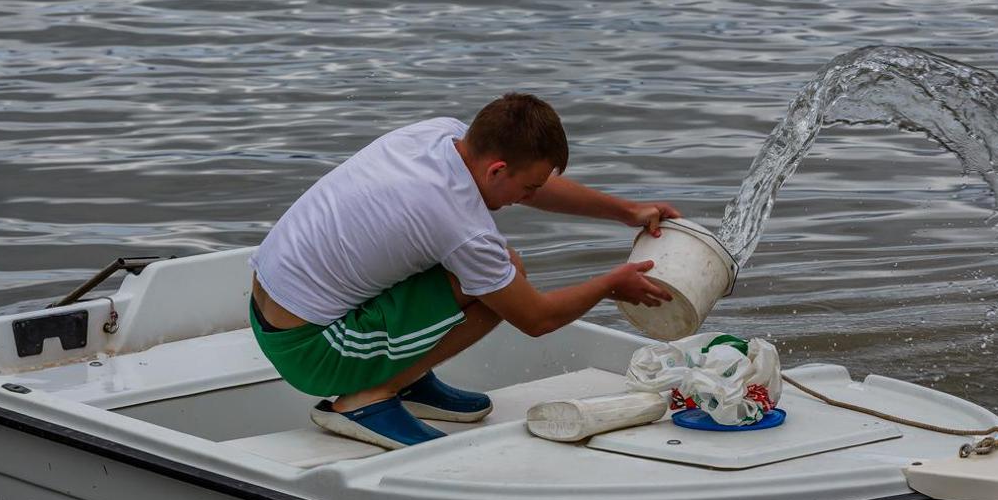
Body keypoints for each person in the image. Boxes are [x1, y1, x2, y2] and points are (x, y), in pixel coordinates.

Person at [249, 93, 678, 449]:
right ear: (497, 169)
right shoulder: (460, 226)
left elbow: (526, 184)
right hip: (314, 350)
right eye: (528, 187)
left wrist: (625, 211)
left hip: (270, 307)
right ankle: (368, 398)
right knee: (501, 286)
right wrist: (609, 285)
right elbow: (536, 318)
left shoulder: (441, 135)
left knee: (491, 269)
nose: (528, 196)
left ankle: (407, 377)